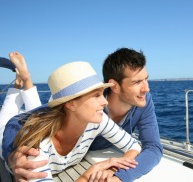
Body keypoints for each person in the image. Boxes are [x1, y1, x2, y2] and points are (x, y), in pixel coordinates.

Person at [6, 48, 163, 182]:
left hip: (63, 142)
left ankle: (25, 80)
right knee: (16, 116)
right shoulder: (37, 148)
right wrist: (10, 154)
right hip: (26, 134)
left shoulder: (98, 118)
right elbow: (18, 121)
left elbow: (148, 146)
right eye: (137, 82)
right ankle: (25, 81)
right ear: (114, 86)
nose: (146, 89)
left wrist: (117, 172)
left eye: (146, 80)